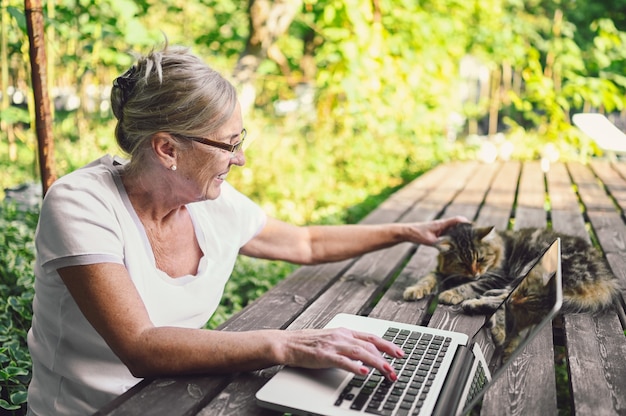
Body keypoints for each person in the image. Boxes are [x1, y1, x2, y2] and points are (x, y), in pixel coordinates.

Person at [26, 43, 467, 415]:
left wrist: (407, 231)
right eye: (229, 144)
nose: (240, 159)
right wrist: (286, 344)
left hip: (183, 398)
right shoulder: (80, 203)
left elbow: (305, 242)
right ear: (167, 149)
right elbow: (141, 346)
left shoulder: (210, 203)